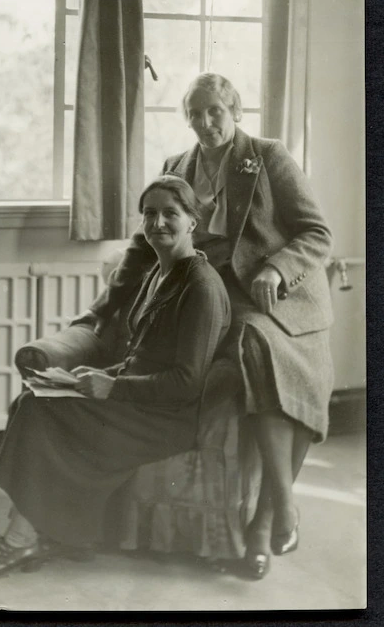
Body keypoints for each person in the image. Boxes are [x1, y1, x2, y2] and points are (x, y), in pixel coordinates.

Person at [76, 72, 334, 580]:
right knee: (249, 341)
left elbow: (316, 231)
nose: (205, 122)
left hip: (281, 299)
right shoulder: (178, 166)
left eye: (215, 110)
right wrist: (104, 307)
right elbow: (141, 242)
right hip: (216, 297)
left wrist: (277, 267)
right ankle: (281, 512)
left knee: (260, 347)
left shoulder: (268, 156)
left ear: (235, 109)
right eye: (195, 113)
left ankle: (269, 518)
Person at [0, 175, 231, 580]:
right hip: (137, 400)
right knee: (30, 400)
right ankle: (53, 530)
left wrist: (112, 387)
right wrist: (91, 375)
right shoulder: (157, 273)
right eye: (149, 214)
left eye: (170, 214)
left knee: (37, 411)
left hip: (167, 419)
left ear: (193, 220)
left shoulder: (201, 286)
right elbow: (142, 354)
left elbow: (186, 382)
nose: (158, 223)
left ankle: (20, 539)